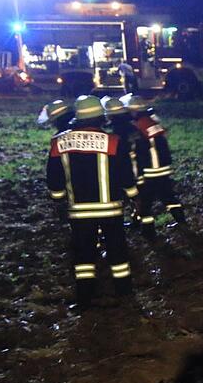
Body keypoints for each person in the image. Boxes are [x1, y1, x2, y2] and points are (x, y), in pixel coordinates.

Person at [46, 95, 139, 308]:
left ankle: (85, 298)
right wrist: (133, 195)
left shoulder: (59, 142)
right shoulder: (114, 141)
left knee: (83, 254)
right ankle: (125, 292)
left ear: (77, 117)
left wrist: (58, 199)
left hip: (79, 212)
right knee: (117, 251)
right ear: (101, 117)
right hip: (111, 210)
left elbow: (54, 178)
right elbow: (126, 175)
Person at [121, 94, 185, 237]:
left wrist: (139, 174)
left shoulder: (138, 126)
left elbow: (138, 151)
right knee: (169, 197)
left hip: (151, 171)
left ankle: (148, 233)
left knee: (145, 204)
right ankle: (182, 221)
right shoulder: (153, 121)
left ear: (133, 111)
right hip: (163, 169)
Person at [102, 95, 144, 229]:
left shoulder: (113, 130)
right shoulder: (133, 127)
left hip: (123, 166)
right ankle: (138, 217)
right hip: (140, 164)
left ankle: (130, 218)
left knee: (124, 194)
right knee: (137, 193)